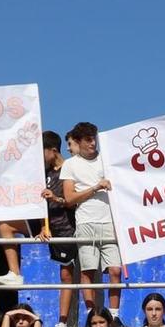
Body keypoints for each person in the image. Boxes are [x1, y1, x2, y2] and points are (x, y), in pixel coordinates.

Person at [60, 122, 120, 314]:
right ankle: (92, 315)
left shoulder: (107, 160)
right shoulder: (70, 164)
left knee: (115, 271)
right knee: (88, 271)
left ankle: (114, 315)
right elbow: (69, 198)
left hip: (110, 222)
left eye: (94, 138)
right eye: (88, 139)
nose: (93, 143)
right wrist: (95, 188)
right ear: (78, 142)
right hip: (85, 222)